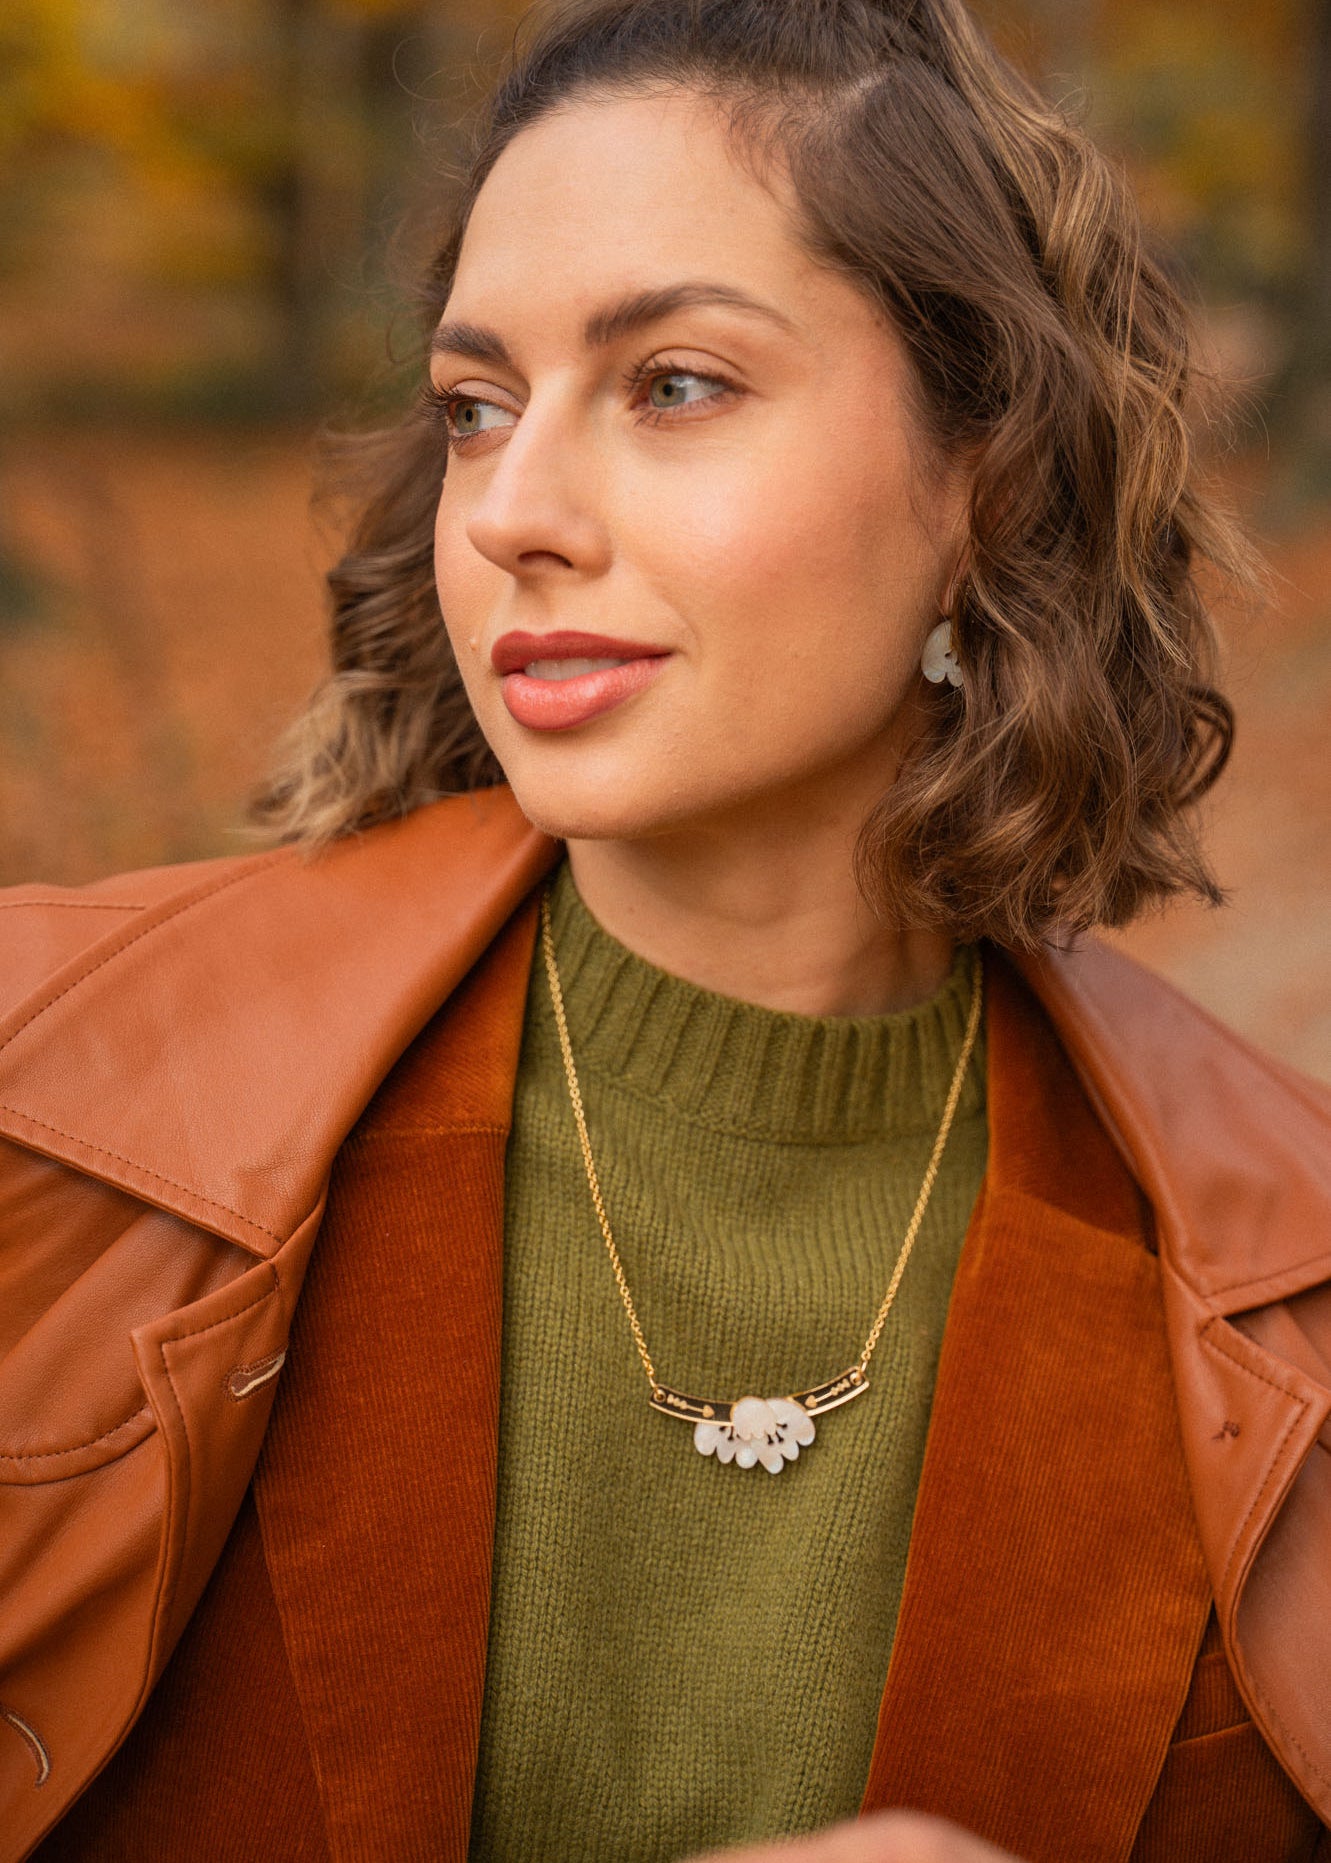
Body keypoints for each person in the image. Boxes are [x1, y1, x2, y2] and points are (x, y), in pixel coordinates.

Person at [2, 0, 1329, 1858]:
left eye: (676, 385)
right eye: (475, 409)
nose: (514, 513)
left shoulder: (1290, 1290)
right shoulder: (47, 1106)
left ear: (990, 478)